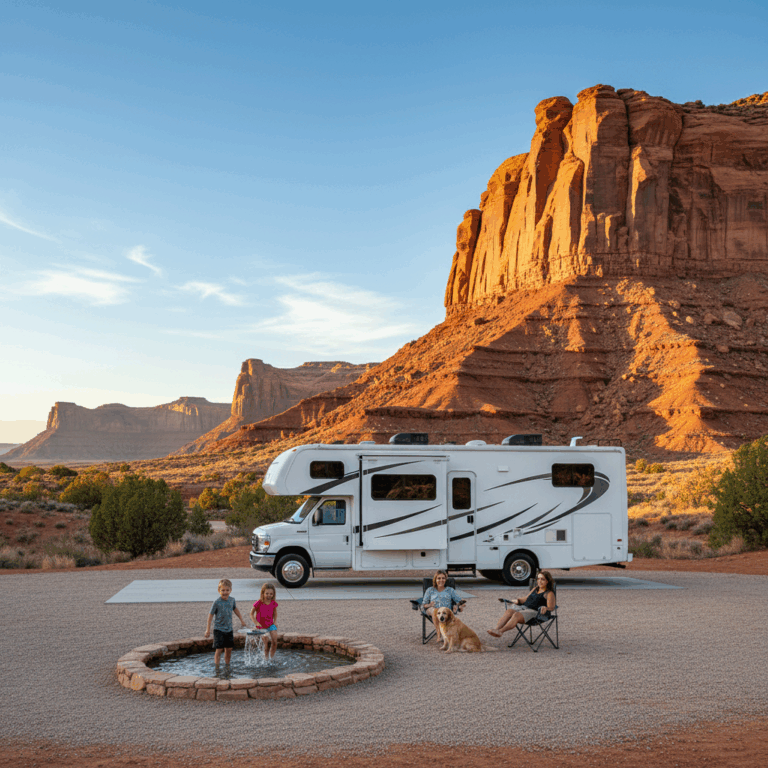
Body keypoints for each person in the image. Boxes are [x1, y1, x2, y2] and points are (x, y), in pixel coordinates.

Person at [487, 570, 555, 638]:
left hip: (536, 614)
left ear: (547, 581)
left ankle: (501, 631)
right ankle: (496, 629)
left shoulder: (549, 593)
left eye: (542, 579)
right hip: (525, 609)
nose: (539, 581)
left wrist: (545, 608)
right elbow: (526, 598)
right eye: (538, 579)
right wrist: (517, 601)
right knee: (509, 611)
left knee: (516, 615)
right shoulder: (535, 588)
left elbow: (551, 607)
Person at [205, 578, 246, 665]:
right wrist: (208, 630)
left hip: (229, 629)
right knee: (219, 649)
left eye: (227, 590)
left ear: (230, 590)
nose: (225, 592)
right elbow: (210, 615)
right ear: (219, 590)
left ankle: (227, 666)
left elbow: (235, 609)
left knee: (229, 649)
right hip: (218, 629)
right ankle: (217, 667)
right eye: (223, 590)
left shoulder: (232, 600)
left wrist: (241, 619)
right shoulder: (216, 602)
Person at [421, 570, 465, 639]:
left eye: (443, 578)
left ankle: (442, 633)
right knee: (435, 610)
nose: (441, 580)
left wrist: (459, 606)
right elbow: (424, 605)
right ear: (435, 579)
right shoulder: (430, 590)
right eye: (439, 578)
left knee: (442, 612)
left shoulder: (450, 590)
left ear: (445, 579)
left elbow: (460, 601)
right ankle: (439, 633)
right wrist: (429, 605)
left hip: (445, 612)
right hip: (432, 610)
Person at [250, 582, 279, 659]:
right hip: (262, 626)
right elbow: (251, 614)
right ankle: (266, 659)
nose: (269, 595)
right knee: (266, 641)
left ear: (273, 594)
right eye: (267, 593)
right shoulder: (259, 603)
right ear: (263, 593)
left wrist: (275, 621)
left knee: (275, 641)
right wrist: (256, 623)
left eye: (271, 594)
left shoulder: (273, 603)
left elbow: (275, 613)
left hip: (270, 625)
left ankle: (271, 658)